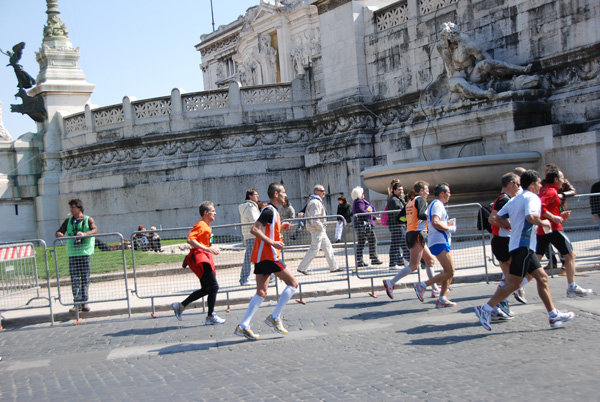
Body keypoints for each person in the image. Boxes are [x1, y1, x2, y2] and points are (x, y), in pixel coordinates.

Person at [474, 170, 575, 330]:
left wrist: (515, 226)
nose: (541, 186)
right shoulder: (531, 197)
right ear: (533, 184)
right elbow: (531, 217)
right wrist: (545, 223)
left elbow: (497, 218)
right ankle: (486, 308)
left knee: (542, 277)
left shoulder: (516, 199)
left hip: (520, 245)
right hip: (523, 245)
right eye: (539, 183)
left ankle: (553, 315)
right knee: (514, 283)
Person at [234, 183, 298, 340]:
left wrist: (280, 228)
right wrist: (273, 242)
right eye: (283, 192)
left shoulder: (272, 211)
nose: (285, 195)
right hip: (269, 256)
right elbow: (254, 229)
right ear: (276, 194)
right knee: (293, 284)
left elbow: (266, 230)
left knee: (261, 293)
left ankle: (243, 325)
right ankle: (275, 317)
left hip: (262, 256)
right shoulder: (269, 210)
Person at [536, 168, 592, 298]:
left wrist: (558, 215)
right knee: (571, 255)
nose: (563, 181)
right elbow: (540, 207)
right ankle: (572, 286)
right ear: (556, 179)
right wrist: (554, 218)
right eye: (561, 178)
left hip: (545, 229)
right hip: (553, 228)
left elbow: (544, 208)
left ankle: (517, 285)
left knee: (536, 261)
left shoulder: (546, 190)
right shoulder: (551, 191)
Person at [172, 201, 225, 325]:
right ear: (206, 213)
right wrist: (207, 249)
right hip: (202, 259)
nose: (215, 213)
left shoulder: (206, 226)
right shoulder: (201, 225)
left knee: (207, 288)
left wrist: (210, 248)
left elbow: (203, 243)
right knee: (213, 287)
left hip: (204, 258)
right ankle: (211, 316)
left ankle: (180, 306)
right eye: (213, 211)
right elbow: (190, 239)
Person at [383, 181, 436, 300]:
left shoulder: (410, 201)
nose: (428, 192)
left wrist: (410, 221)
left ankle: (435, 289)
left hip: (412, 232)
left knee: (430, 260)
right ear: (421, 191)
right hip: (418, 233)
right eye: (427, 189)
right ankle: (391, 282)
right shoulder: (421, 200)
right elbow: (421, 215)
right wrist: (432, 216)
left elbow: (399, 218)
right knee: (413, 266)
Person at [412, 183, 458, 307]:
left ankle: (442, 298)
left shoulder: (435, 204)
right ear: (442, 193)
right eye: (448, 192)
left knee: (447, 271)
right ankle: (422, 285)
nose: (450, 195)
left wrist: (447, 224)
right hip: (439, 241)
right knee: (450, 271)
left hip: (439, 240)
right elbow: (435, 222)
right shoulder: (437, 204)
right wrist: (449, 228)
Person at [487, 172, 522, 320]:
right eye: (518, 185)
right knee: (514, 278)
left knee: (509, 278)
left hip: (501, 241)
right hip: (503, 241)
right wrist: (510, 226)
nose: (519, 188)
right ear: (511, 184)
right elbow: (492, 218)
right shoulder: (504, 199)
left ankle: (499, 305)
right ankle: (497, 305)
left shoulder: (504, 199)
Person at [55, 199, 98, 312]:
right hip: (73, 253)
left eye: (73, 207)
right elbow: (60, 231)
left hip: (84, 252)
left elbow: (95, 230)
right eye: (70, 207)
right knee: (74, 279)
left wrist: (84, 234)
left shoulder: (88, 219)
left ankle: (84, 302)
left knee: (84, 278)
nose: (71, 210)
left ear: (79, 208)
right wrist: (58, 234)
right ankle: (76, 302)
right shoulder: (68, 221)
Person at [297, 185, 343, 275]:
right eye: (322, 191)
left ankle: (334, 267)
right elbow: (314, 218)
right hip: (317, 229)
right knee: (314, 248)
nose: (324, 193)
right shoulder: (315, 202)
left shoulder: (315, 201)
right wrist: (321, 227)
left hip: (319, 229)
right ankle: (302, 267)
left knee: (328, 247)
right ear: (316, 191)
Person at [351, 186, 383, 267]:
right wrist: (370, 212)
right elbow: (362, 211)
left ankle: (360, 260)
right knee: (372, 240)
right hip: (365, 226)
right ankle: (373, 258)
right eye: (362, 193)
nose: (363, 194)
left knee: (361, 243)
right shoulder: (359, 202)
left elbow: (364, 213)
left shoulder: (357, 201)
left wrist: (375, 217)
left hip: (361, 225)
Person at [238, 188, 261, 286]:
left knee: (258, 256)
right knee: (250, 257)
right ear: (250, 196)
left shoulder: (245, 207)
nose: (257, 196)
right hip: (253, 234)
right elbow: (256, 220)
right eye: (255, 194)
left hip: (249, 234)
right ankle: (244, 278)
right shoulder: (251, 207)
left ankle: (269, 276)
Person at [386, 180, 409, 270]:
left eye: (402, 190)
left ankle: (408, 262)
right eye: (399, 190)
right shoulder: (393, 201)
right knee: (396, 245)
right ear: (394, 190)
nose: (401, 191)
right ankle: (392, 264)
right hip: (397, 226)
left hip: (400, 226)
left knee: (404, 245)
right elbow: (398, 214)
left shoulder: (398, 199)